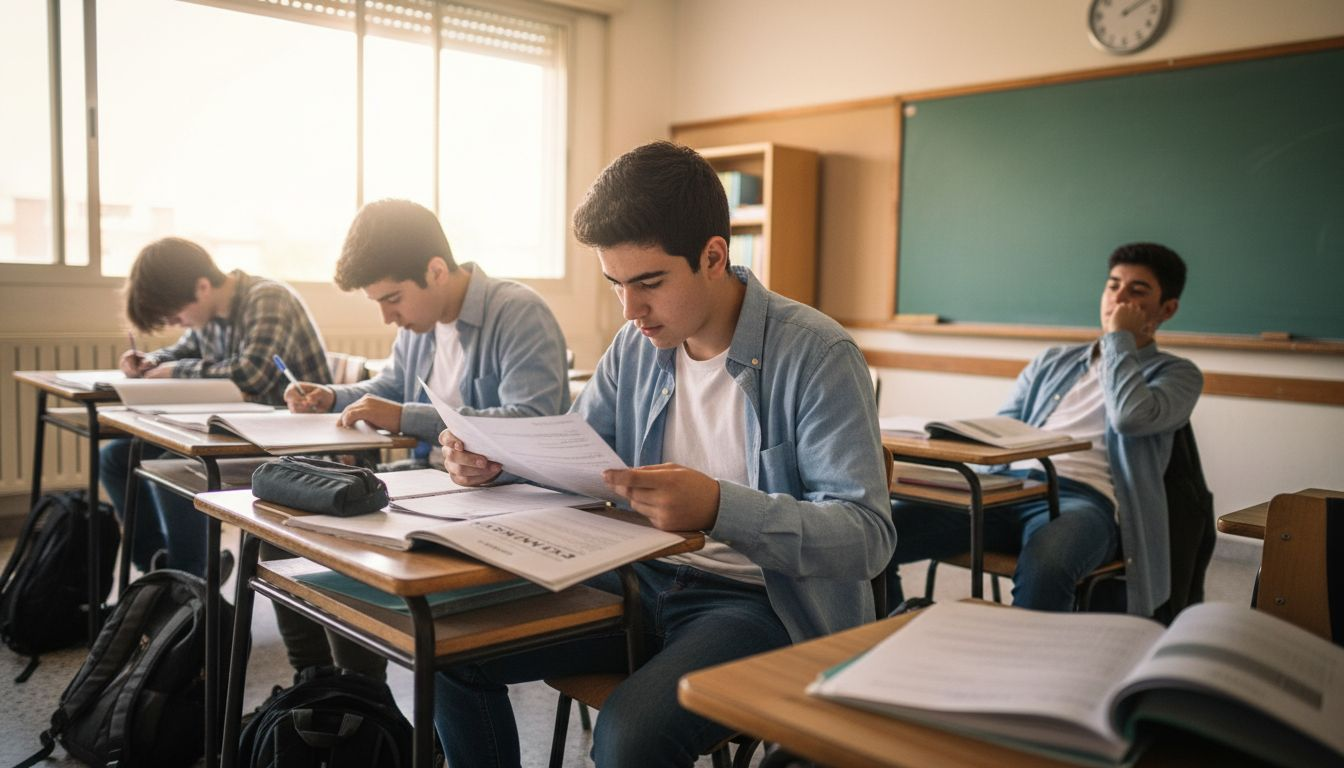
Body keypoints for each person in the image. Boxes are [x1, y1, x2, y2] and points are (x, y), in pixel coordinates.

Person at [432, 141, 895, 767]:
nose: (630, 310)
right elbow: (582, 454)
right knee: (449, 650)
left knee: (629, 739)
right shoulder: (636, 347)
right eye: (615, 284)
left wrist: (718, 507)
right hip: (639, 574)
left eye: (649, 282)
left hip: (759, 601)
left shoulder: (816, 355)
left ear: (714, 256)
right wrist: (497, 460)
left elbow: (866, 537)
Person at [274, 198, 571, 682]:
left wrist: (406, 416)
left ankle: (365, 714)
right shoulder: (420, 325)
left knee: (345, 548)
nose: (388, 317)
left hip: (495, 494)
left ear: (436, 271)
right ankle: (326, 691)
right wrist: (331, 395)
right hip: (430, 484)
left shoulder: (518, 313)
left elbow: (530, 419)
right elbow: (388, 389)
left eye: (392, 299)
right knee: (284, 532)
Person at [886, 242, 1203, 616]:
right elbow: (1003, 428)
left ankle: (1025, 667)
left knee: (1048, 566)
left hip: (1084, 501)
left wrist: (1120, 339)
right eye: (1113, 285)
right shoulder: (1052, 361)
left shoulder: (1178, 374)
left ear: (1167, 309)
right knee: (877, 530)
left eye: (1137, 291)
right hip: (1011, 487)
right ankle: (882, 628)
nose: (1118, 298)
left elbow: (1129, 417)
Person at [101, 237, 330, 577]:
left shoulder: (268, 298)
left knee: (172, 466)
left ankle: (193, 577)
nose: (179, 323)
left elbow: (251, 374)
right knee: (115, 457)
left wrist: (173, 371)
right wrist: (149, 361)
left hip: (287, 441)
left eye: (177, 315)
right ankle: (160, 566)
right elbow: (179, 352)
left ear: (203, 287)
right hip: (231, 433)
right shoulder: (207, 318)